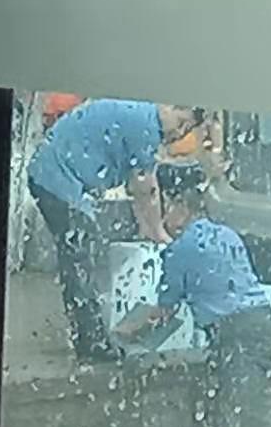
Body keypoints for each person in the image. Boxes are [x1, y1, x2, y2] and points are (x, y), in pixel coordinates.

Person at [117, 167, 271, 427]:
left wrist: (127, 329)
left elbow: (163, 309)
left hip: (237, 332)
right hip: (262, 321)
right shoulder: (226, 233)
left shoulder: (181, 251)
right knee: (218, 400)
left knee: (248, 407)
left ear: (182, 208)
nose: (164, 214)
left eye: (168, 206)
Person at [27, 98, 205, 361]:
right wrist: (158, 233)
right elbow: (145, 188)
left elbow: (136, 189)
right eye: (180, 123)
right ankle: (91, 342)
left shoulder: (138, 115)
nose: (178, 134)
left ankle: (89, 334)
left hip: (54, 174)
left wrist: (147, 228)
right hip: (57, 179)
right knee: (81, 256)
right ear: (168, 106)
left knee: (80, 255)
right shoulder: (147, 126)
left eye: (186, 130)